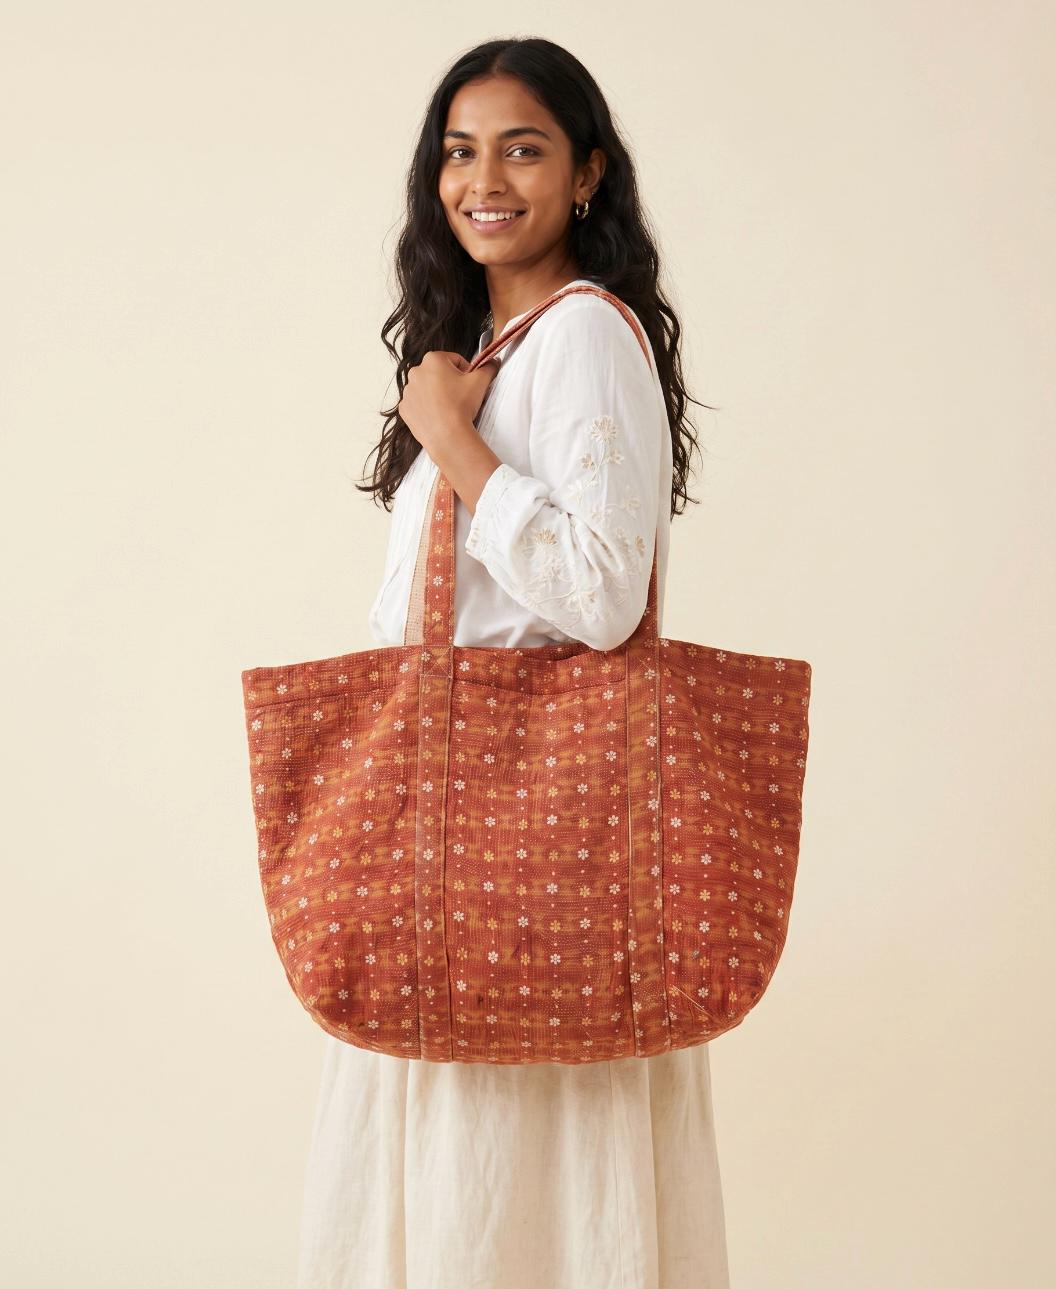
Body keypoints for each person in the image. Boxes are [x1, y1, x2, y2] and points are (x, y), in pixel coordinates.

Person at [295, 37, 730, 1289]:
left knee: (501, 1187)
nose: (483, 181)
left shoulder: (582, 336)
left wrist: (453, 441)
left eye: (523, 149)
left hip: (534, 850)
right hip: (474, 853)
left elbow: (601, 595)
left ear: (587, 174)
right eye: (459, 152)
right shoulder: (500, 346)